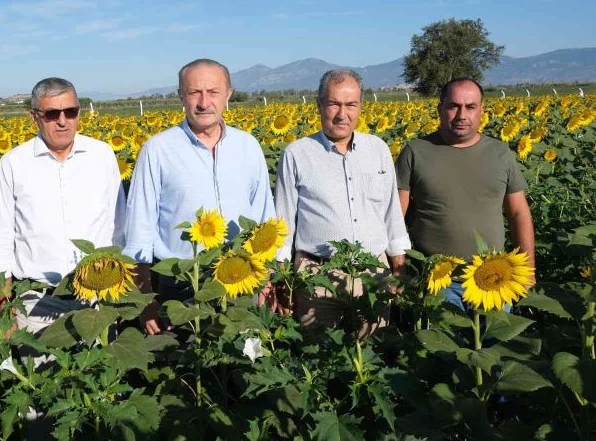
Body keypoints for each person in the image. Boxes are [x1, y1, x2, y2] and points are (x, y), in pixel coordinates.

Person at [123, 58, 276, 335]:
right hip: (182, 282)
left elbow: (265, 216)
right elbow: (139, 228)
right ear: (181, 95)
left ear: (228, 94)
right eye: (195, 92)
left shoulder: (248, 146)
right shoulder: (158, 149)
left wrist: (267, 279)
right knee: (186, 367)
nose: (204, 102)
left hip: (243, 279)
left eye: (213, 92)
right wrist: (145, 300)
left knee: (244, 363)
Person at [273, 69, 410, 335]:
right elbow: (283, 223)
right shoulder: (297, 154)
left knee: (371, 359)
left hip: (373, 274)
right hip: (317, 277)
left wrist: (399, 267)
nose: (342, 114)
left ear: (360, 107)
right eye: (334, 104)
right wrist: (283, 282)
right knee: (319, 359)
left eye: (350, 105)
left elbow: (391, 213)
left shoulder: (378, 150)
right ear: (319, 105)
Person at [0, 77, 126, 335]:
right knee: (42, 374)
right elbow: (2, 243)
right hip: (39, 304)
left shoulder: (102, 155)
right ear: (34, 117)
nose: (63, 121)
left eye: (70, 112)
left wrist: (120, 299)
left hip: (99, 299)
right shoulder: (14, 163)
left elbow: (119, 228)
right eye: (52, 114)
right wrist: (5, 313)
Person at [395, 77, 535, 310]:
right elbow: (396, 217)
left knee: (493, 343)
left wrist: (528, 271)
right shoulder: (416, 151)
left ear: (481, 110)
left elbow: (519, 213)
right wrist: (399, 270)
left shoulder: (500, 154)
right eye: (453, 106)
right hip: (438, 279)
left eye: (470, 107)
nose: (462, 115)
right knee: (443, 345)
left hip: (494, 277)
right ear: (440, 109)